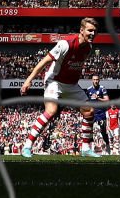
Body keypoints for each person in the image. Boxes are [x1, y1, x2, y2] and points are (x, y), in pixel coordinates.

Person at [20, 17, 103, 158]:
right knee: (51, 111)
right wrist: (28, 81)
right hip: (55, 81)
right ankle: (27, 146)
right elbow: (44, 61)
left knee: (89, 111)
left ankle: (85, 149)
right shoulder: (66, 44)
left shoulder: (88, 48)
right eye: (90, 30)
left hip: (71, 85)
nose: (93, 34)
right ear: (81, 30)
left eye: (95, 31)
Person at [84, 74, 111, 154]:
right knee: (90, 131)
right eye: (94, 79)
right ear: (92, 80)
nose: (96, 81)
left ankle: (108, 146)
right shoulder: (89, 89)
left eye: (97, 79)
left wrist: (98, 98)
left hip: (101, 113)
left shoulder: (102, 89)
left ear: (99, 80)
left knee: (103, 131)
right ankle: (91, 149)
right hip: (92, 113)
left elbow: (107, 100)